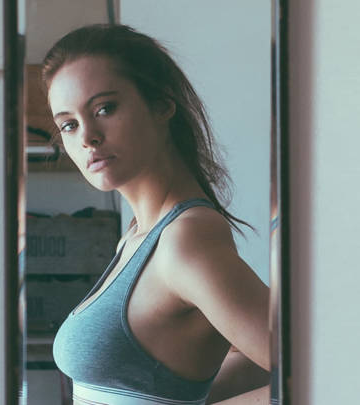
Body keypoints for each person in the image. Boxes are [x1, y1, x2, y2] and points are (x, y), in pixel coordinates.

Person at [43, 24, 270, 404]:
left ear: (162, 105)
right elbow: (245, 358)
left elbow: (312, 376)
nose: (87, 137)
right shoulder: (138, 235)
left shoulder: (185, 240)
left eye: (104, 108)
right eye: (69, 124)